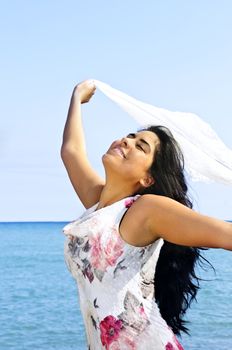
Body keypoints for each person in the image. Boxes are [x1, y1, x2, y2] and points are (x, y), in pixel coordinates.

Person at [61, 80, 232, 350]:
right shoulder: (98, 207)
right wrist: (76, 98)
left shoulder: (146, 210)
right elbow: (70, 152)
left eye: (141, 146)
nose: (126, 141)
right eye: (130, 136)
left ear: (148, 179)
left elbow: (228, 236)